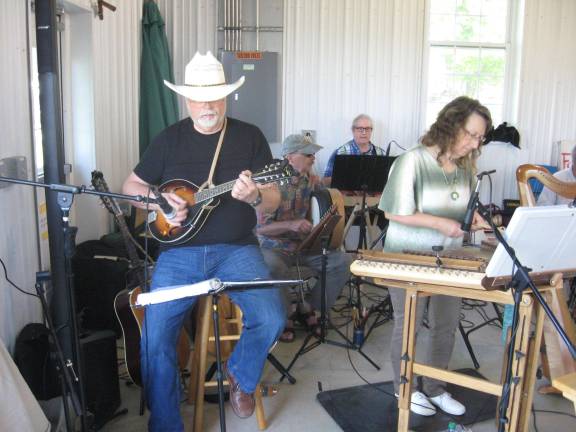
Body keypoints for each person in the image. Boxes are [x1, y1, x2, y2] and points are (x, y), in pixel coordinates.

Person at [122, 51, 285, 431]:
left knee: (272, 317)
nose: (207, 104)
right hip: (179, 252)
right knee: (155, 336)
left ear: (226, 96)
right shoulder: (168, 139)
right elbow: (131, 186)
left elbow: (273, 196)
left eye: (215, 95)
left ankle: (241, 375)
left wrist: (256, 197)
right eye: (198, 97)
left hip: (238, 249)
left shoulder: (249, 137)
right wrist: (158, 204)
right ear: (186, 99)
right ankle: (166, 423)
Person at [379, 96, 492, 417]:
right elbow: (392, 212)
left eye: (479, 138)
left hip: (449, 259)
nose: (474, 143)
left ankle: (435, 387)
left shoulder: (466, 168)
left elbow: (463, 212)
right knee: (409, 324)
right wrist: (439, 222)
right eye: (470, 134)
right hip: (407, 257)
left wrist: (476, 221)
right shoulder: (412, 161)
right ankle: (405, 388)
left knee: (445, 324)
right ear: (450, 125)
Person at [256, 134, 352, 342]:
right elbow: (260, 229)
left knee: (342, 262)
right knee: (273, 267)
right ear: (290, 157)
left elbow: (323, 201)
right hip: (275, 247)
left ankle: (310, 307)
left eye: (313, 154)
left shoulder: (309, 179)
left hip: (304, 246)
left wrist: (323, 191)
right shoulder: (270, 184)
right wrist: (290, 224)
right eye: (308, 154)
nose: (313, 158)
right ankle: (286, 313)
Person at [323, 113, 386, 186]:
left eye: (367, 129)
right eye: (360, 129)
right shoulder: (340, 152)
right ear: (353, 130)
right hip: (346, 196)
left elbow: (387, 182)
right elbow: (325, 181)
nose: (364, 132)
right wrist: (348, 178)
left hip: (374, 197)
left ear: (371, 131)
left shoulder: (381, 153)